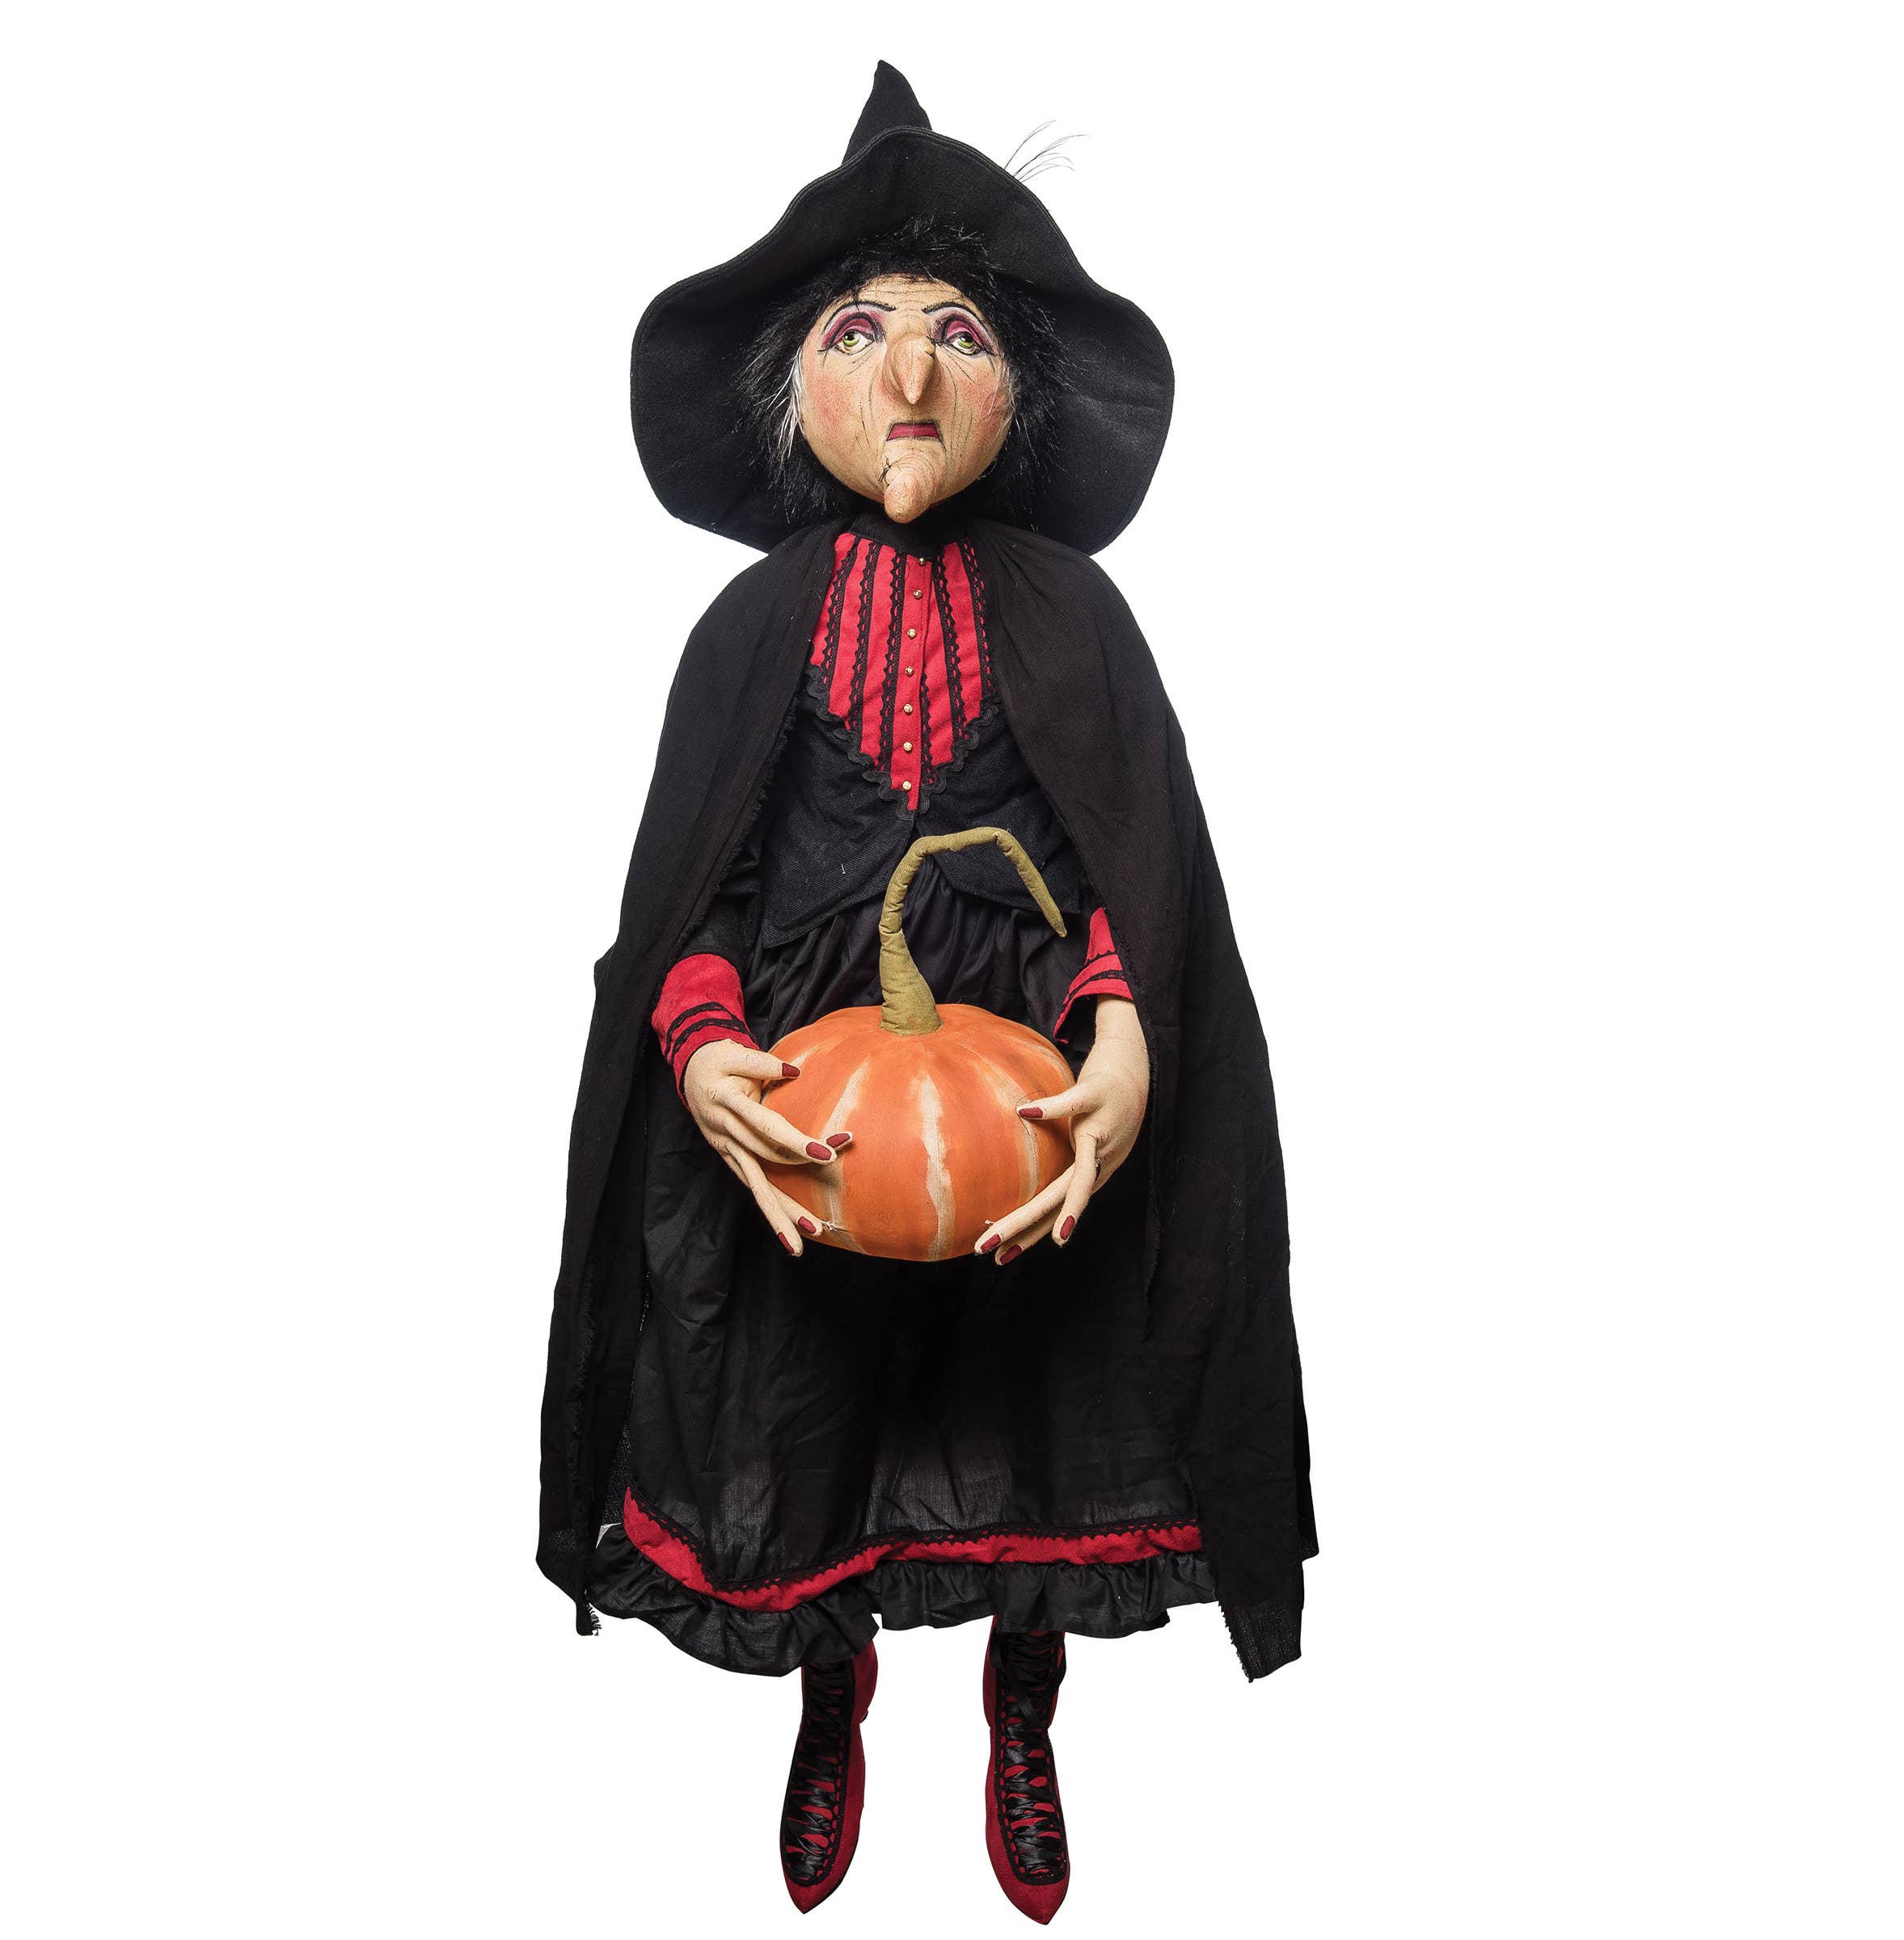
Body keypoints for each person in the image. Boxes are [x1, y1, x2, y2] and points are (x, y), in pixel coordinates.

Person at [538, 63, 1316, 1922]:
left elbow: (1131, 869)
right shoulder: (752, 628)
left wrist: (1124, 1031)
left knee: (1039, 1415)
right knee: (811, 1426)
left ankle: (1022, 1699)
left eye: (955, 336)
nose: (906, 375)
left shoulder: (1076, 617)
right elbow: (696, 893)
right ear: (792, 389)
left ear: (1013, 392)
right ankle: (835, 1686)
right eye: (859, 333)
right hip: (811, 1130)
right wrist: (701, 1046)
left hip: (1026, 1118)